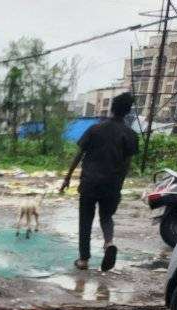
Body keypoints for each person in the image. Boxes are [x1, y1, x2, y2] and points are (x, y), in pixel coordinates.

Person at [60, 91, 139, 272]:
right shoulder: (130, 135)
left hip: (90, 183)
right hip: (112, 185)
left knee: (85, 220)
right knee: (106, 217)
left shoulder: (95, 129)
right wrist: (118, 184)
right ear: (127, 112)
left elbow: (79, 155)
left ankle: (83, 260)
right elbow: (127, 164)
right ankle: (109, 243)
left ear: (111, 109)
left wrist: (67, 178)